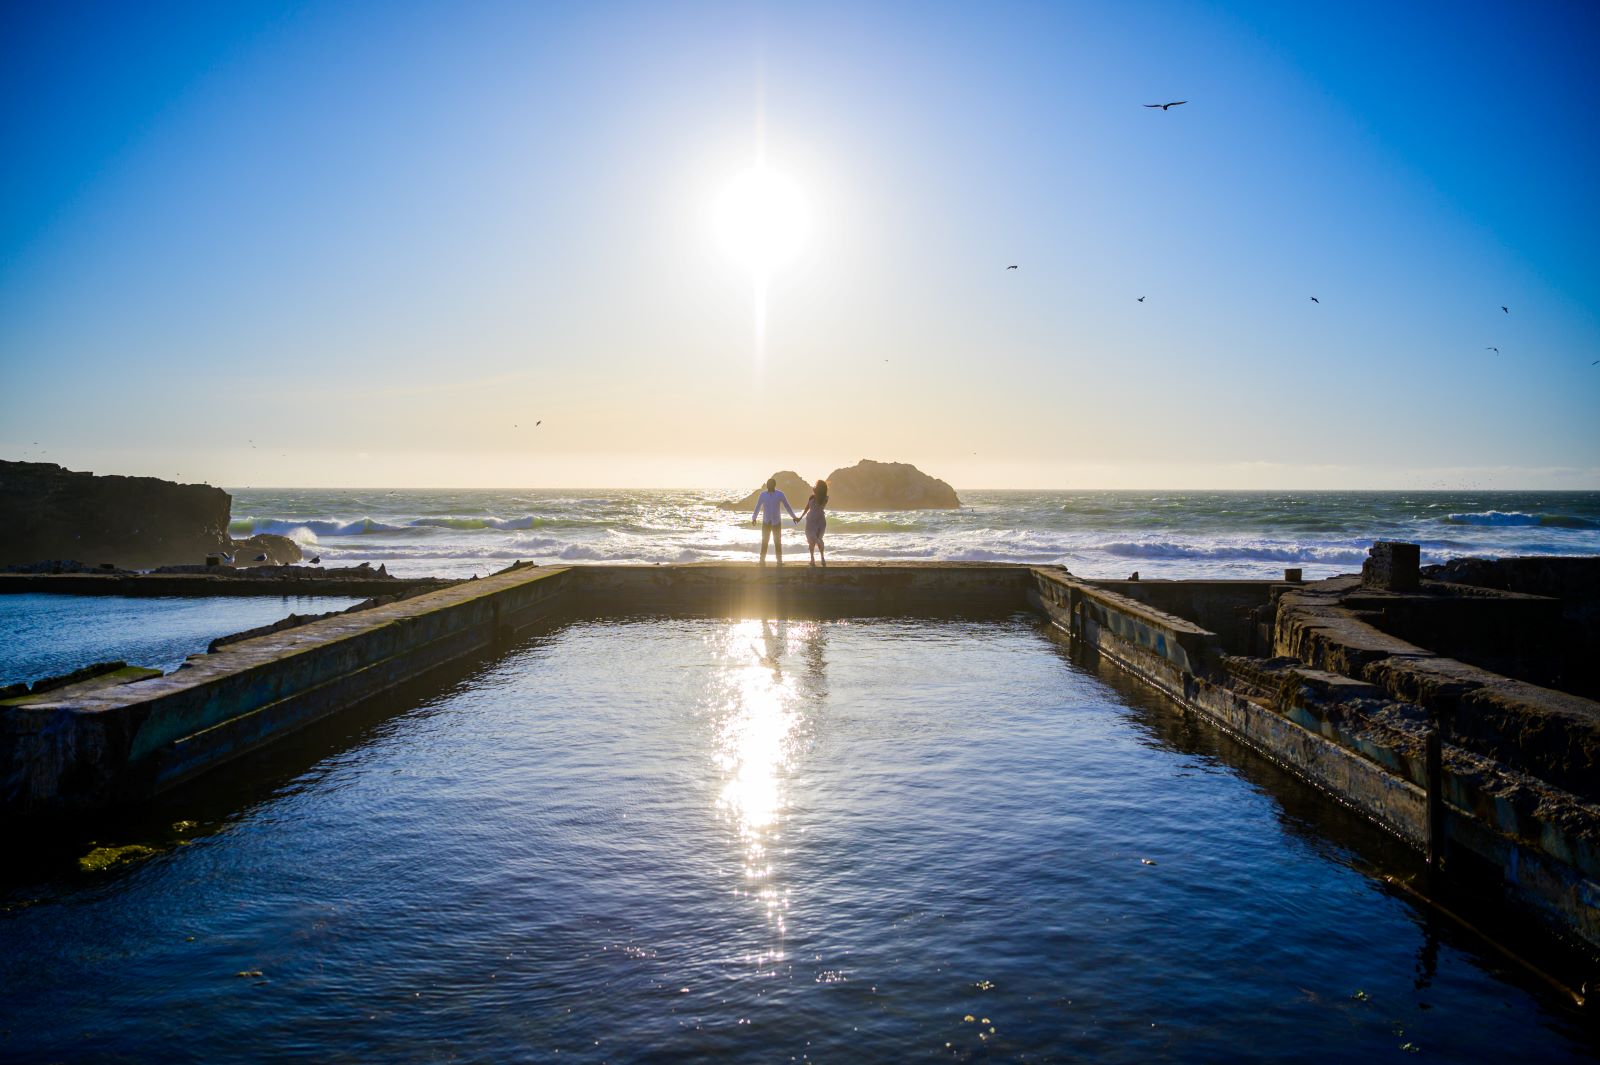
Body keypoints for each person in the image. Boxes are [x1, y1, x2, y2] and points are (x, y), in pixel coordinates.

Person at [750, 477, 798, 564]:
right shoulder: (763, 495)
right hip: (766, 521)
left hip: (776, 522)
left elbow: (787, 506)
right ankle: (762, 560)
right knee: (765, 541)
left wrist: (794, 517)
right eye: (768, 484)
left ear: (774, 485)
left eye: (770, 484)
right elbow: (758, 506)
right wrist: (754, 518)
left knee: (777, 542)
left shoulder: (780, 494)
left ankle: (779, 561)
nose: (769, 486)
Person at [796, 479, 828, 567]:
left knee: (814, 540)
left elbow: (818, 502)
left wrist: (815, 492)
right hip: (814, 520)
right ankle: (814, 559)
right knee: (814, 540)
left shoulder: (824, 498)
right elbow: (807, 508)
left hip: (816, 521)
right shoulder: (813, 497)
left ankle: (820, 558)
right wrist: (800, 517)